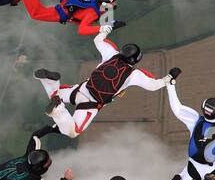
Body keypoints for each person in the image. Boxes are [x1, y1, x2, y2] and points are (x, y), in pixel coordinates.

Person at [33, 32, 170, 139]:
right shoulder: (133, 74)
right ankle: (58, 110)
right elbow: (153, 85)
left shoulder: (111, 54)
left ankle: (50, 80)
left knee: (54, 94)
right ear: (135, 60)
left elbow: (98, 40)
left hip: (81, 89)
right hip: (91, 104)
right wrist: (169, 78)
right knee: (73, 131)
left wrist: (106, 29)